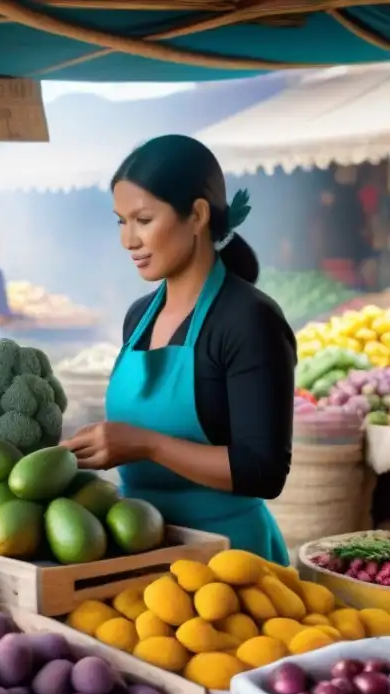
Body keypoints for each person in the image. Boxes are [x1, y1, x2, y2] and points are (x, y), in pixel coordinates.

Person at [60, 135, 296, 564]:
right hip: (140, 551)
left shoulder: (249, 320)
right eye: (120, 221)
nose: (128, 240)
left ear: (198, 215)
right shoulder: (138, 318)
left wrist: (147, 445)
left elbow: (264, 472)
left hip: (231, 563)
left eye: (143, 219)